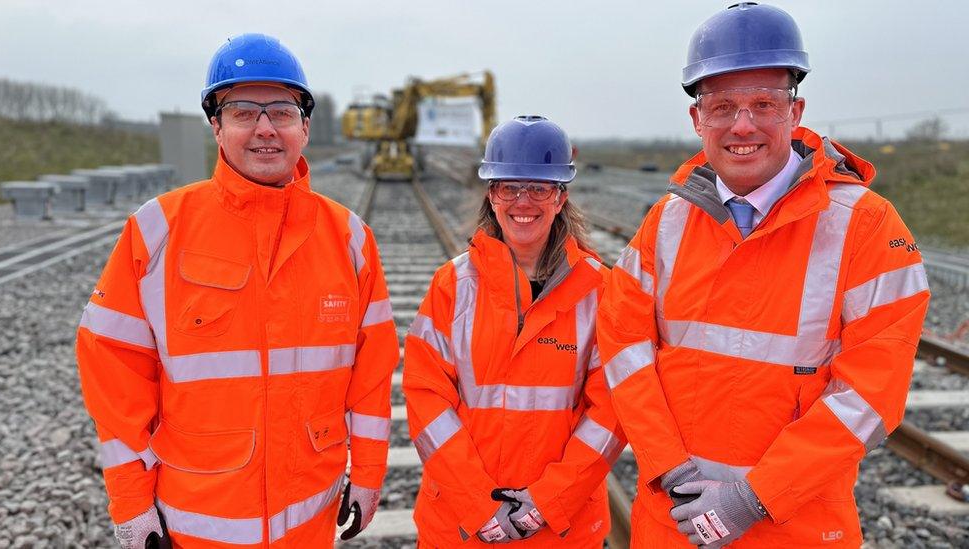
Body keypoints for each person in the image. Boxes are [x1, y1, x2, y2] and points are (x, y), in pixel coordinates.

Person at [597, 3, 930, 547]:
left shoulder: (867, 227)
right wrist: (668, 467)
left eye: (764, 104)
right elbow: (622, 345)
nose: (742, 125)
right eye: (722, 106)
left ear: (795, 112)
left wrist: (756, 497)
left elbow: (872, 393)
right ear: (697, 119)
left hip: (795, 525)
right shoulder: (668, 221)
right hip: (674, 521)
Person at [76, 33, 399, 548]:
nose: (266, 129)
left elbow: (371, 374)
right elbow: (114, 372)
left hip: (308, 521)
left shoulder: (350, 239)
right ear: (216, 126)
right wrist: (132, 502)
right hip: (199, 522)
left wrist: (369, 472)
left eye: (282, 111)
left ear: (305, 127)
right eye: (245, 111)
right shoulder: (158, 230)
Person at [403, 115, 626, 547]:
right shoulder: (453, 286)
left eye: (539, 188)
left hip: (560, 527)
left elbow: (611, 411)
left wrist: (546, 502)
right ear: (492, 194)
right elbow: (426, 396)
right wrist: (477, 504)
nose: (524, 202)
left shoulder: (601, 291)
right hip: (462, 525)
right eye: (509, 187)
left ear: (560, 197)